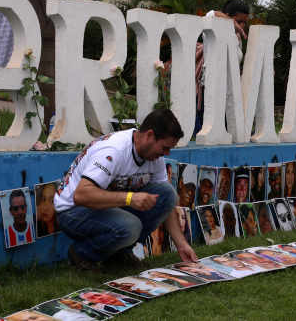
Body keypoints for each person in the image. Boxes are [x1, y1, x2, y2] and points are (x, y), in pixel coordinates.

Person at [54, 109, 197, 270]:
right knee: (131, 226)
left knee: (167, 194)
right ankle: (82, 254)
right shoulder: (114, 150)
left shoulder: (154, 157)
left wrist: (182, 244)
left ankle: (119, 254)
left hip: (102, 206)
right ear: (149, 135)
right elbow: (81, 195)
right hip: (72, 211)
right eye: (164, 148)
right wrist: (129, 198)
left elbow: (166, 204)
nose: (166, 153)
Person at [194, 0, 250, 137]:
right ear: (227, 17)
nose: (241, 25)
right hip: (210, 92)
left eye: (244, 22)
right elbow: (210, 14)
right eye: (238, 21)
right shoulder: (212, 31)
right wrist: (231, 23)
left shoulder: (237, 40)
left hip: (229, 95)